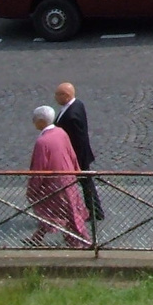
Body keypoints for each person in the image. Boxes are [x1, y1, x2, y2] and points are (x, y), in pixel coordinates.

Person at [26, 105, 90, 248]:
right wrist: (76, 171)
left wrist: (32, 189)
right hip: (68, 180)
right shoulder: (61, 132)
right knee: (63, 211)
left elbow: (38, 168)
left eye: (35, 119)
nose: (33, 122)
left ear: (41, 121)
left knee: (63, 213)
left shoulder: (42, 142)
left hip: (54, 185)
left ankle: (82, 242)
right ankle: (37, 238)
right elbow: (71, 153)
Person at [52, 82, 102, 221]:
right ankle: (94, 211)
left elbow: (78, 140)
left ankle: (95, 212)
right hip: (79, 156)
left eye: (57, 94)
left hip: (78, 158)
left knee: (85, 184)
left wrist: (75, 162)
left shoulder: (71, 116)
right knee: (87, 184)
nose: (55, 97)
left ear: (66, 96)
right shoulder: (77, 104)